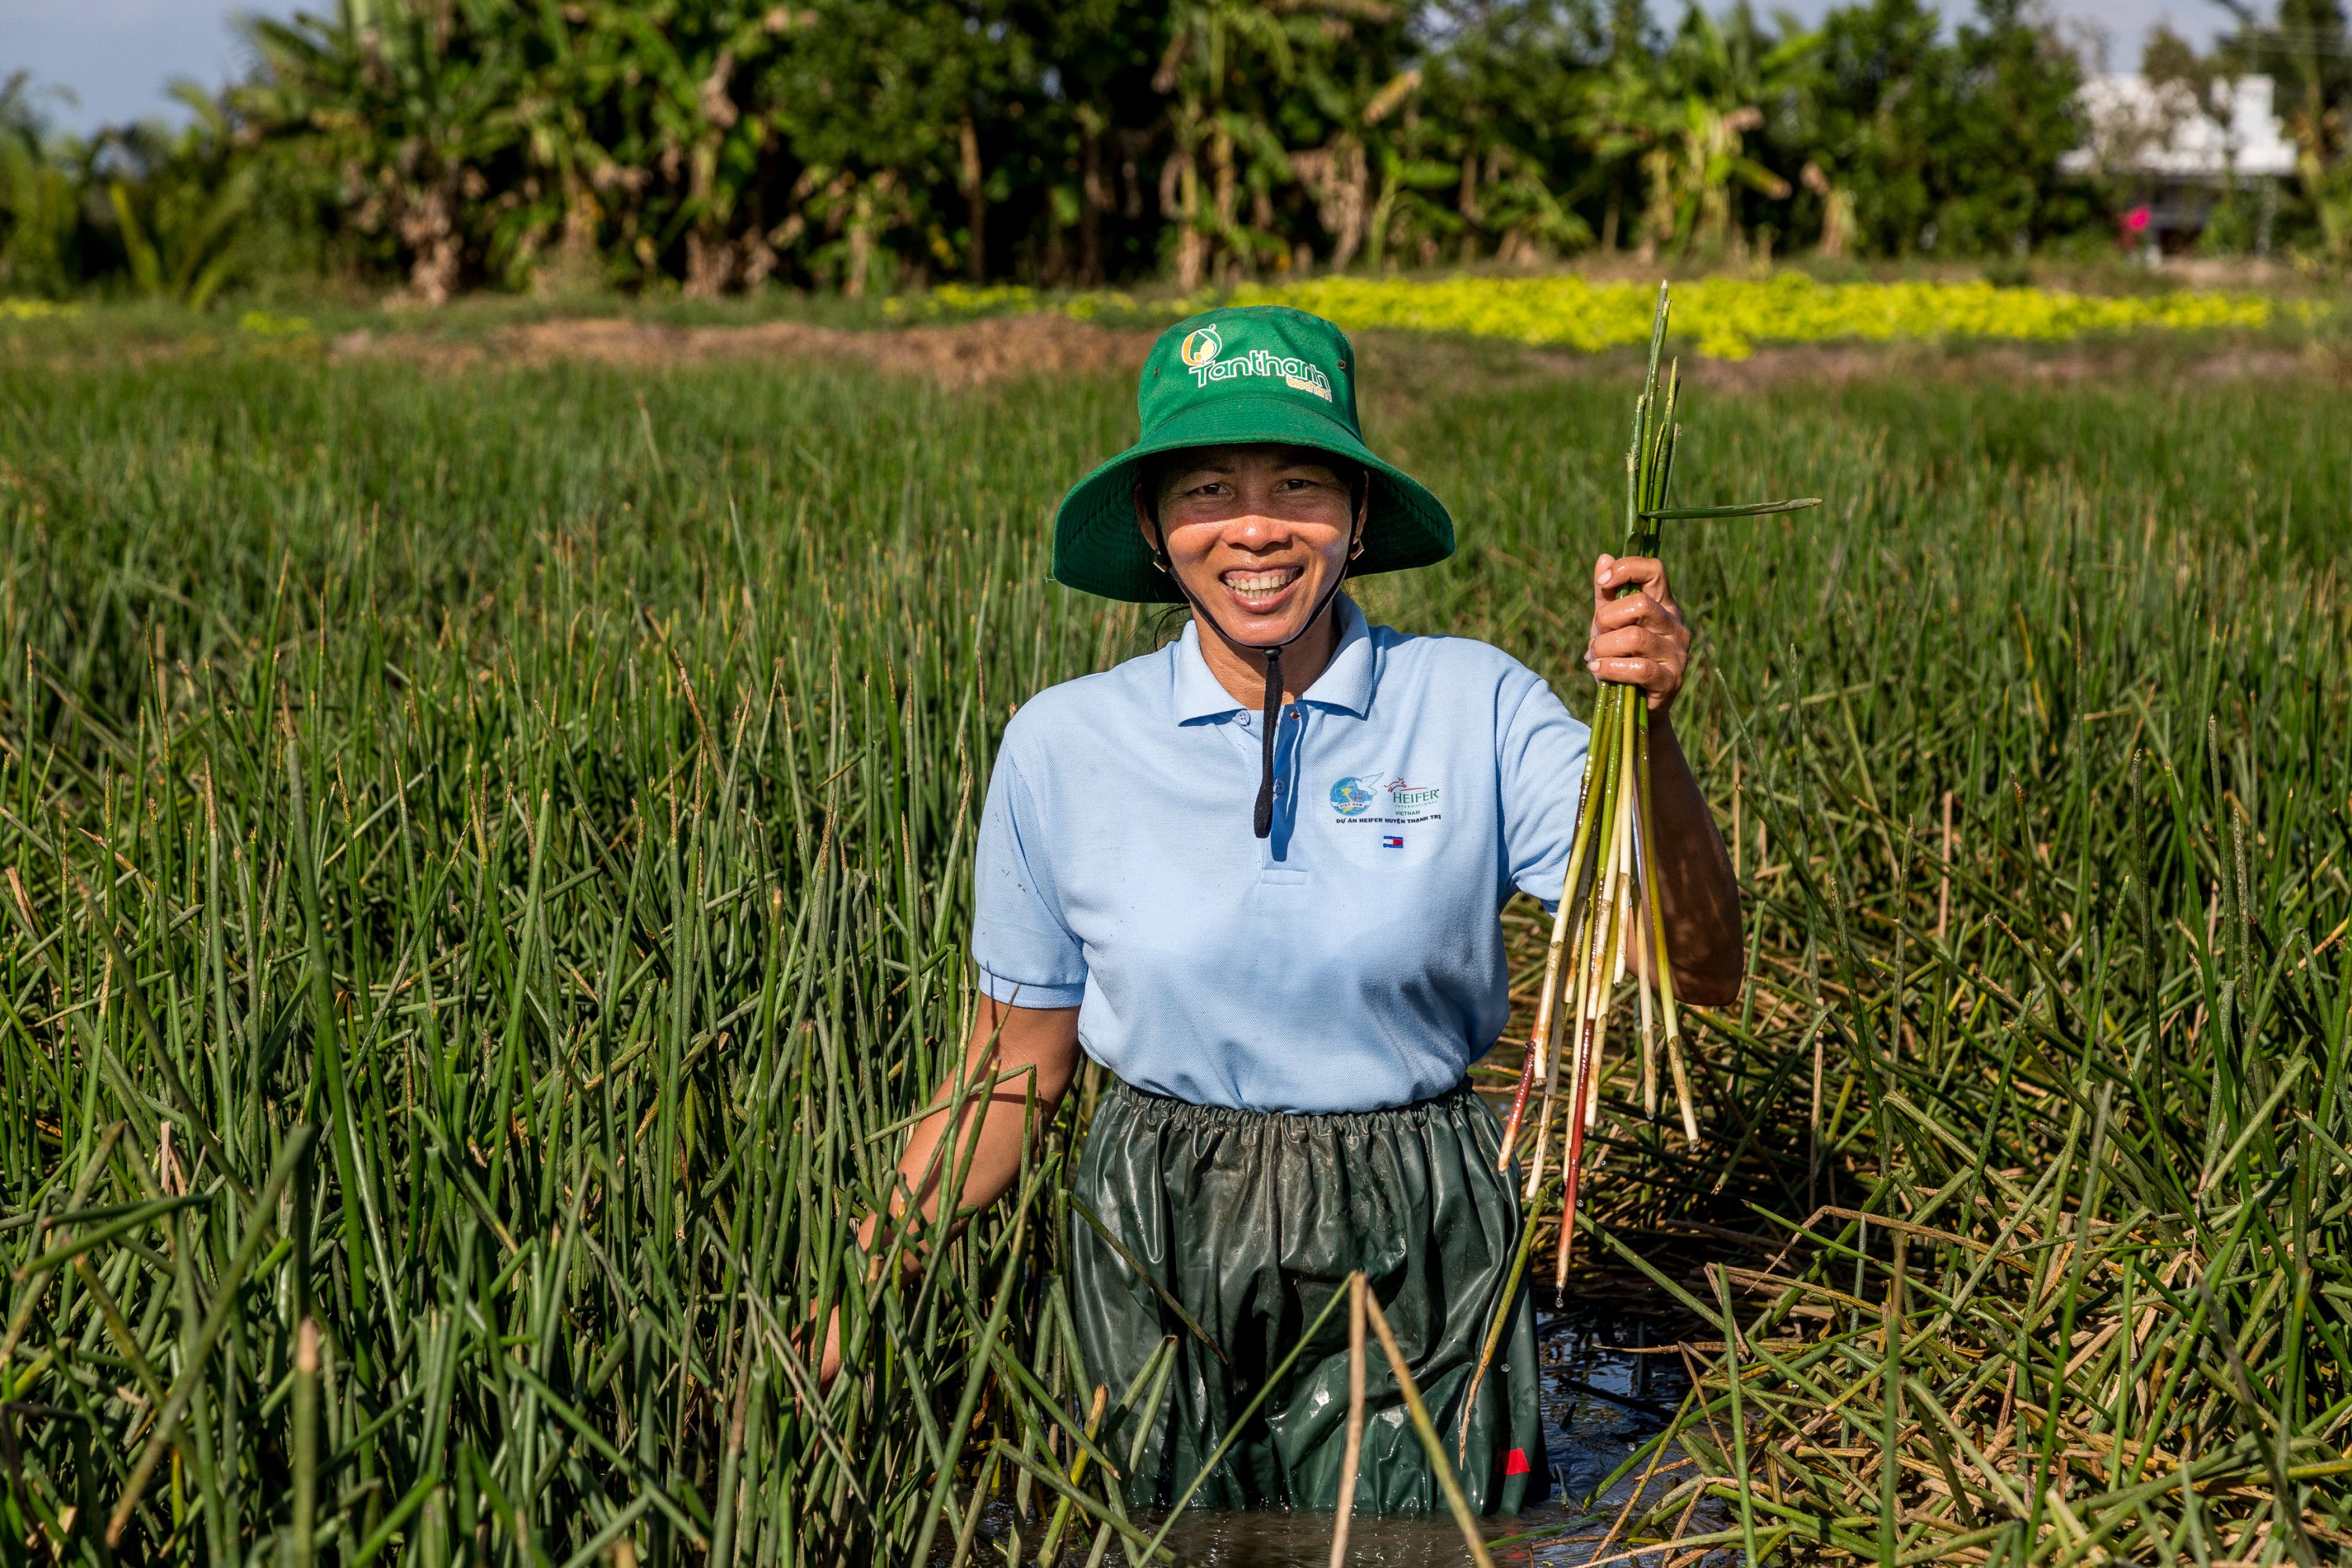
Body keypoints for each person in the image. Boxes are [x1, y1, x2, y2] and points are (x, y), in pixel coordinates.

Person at [826, 306, 1742, 1515]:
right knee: (1156, 1531)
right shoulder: (1062, 743)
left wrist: (1655, 727)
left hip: (1418, 1224)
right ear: (1155, 530)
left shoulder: (1476, 704)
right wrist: (852, 1300)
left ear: (1358, 520)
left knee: (1423, 1536)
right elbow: (1013, 1072)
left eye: (1300, 483)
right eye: (1207, 487)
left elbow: (1699, 967)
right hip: (1150, 1221)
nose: (1255, 526)